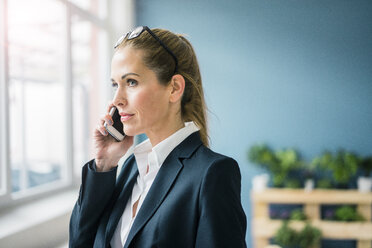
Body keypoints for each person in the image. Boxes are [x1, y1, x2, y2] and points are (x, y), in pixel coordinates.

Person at [69, 26, 247, 248]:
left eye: (131, 82)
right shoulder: (131, 167)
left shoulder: (213, 173)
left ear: (174, 88)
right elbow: (79, 242)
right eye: (115, 84)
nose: (117, 99)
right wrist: (104, 163)